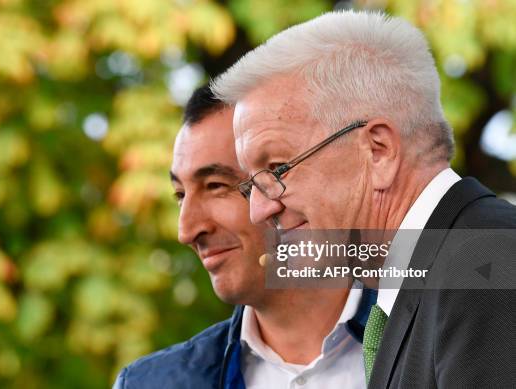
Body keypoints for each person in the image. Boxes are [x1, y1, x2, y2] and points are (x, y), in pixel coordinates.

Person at [211, 10, 516, 389]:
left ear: (378, 151)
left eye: (276, 169)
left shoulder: (489, 269)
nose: (259, 210)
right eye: (250, 184)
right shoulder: (423, 287)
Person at [113, 84, 374, 389]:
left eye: (215, 186)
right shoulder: (146, 384)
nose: (186, 232)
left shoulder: (430, 343)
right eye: (180, 195)